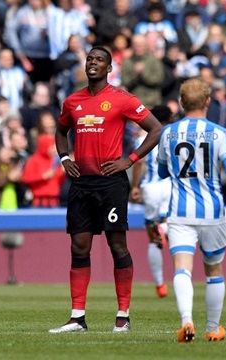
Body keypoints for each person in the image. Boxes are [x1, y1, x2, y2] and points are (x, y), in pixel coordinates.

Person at [49, 46, 163, 334]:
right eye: (90, 58)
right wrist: (64, 158)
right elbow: (60, 132)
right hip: (82, 183)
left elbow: (156, 129)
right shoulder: (72, 101)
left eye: (99, 60)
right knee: (79, 246)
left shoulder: (122, 99)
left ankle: (123, 315)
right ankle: (77, 317)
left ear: (109, 68)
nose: (93, 63)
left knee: (117, 245)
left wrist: (129, 159)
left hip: (111, 183)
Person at [156, 77, 226, 342]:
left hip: (180, 211)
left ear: (181, 102)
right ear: (208, 102)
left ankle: (186, 320)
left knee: (182, 268)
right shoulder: (220, 133)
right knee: (214, 270)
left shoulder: (168, 132)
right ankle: (213, 329)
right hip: (212, 212)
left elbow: (162, 170)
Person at [130, 105, 173, 298]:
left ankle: (159, 284)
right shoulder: (175, 135)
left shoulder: (143, 137)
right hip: (171, 186)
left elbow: (139, 162)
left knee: (152, 237)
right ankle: (164, 230)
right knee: (170, 226)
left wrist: (135, 186)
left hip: (151, 187)